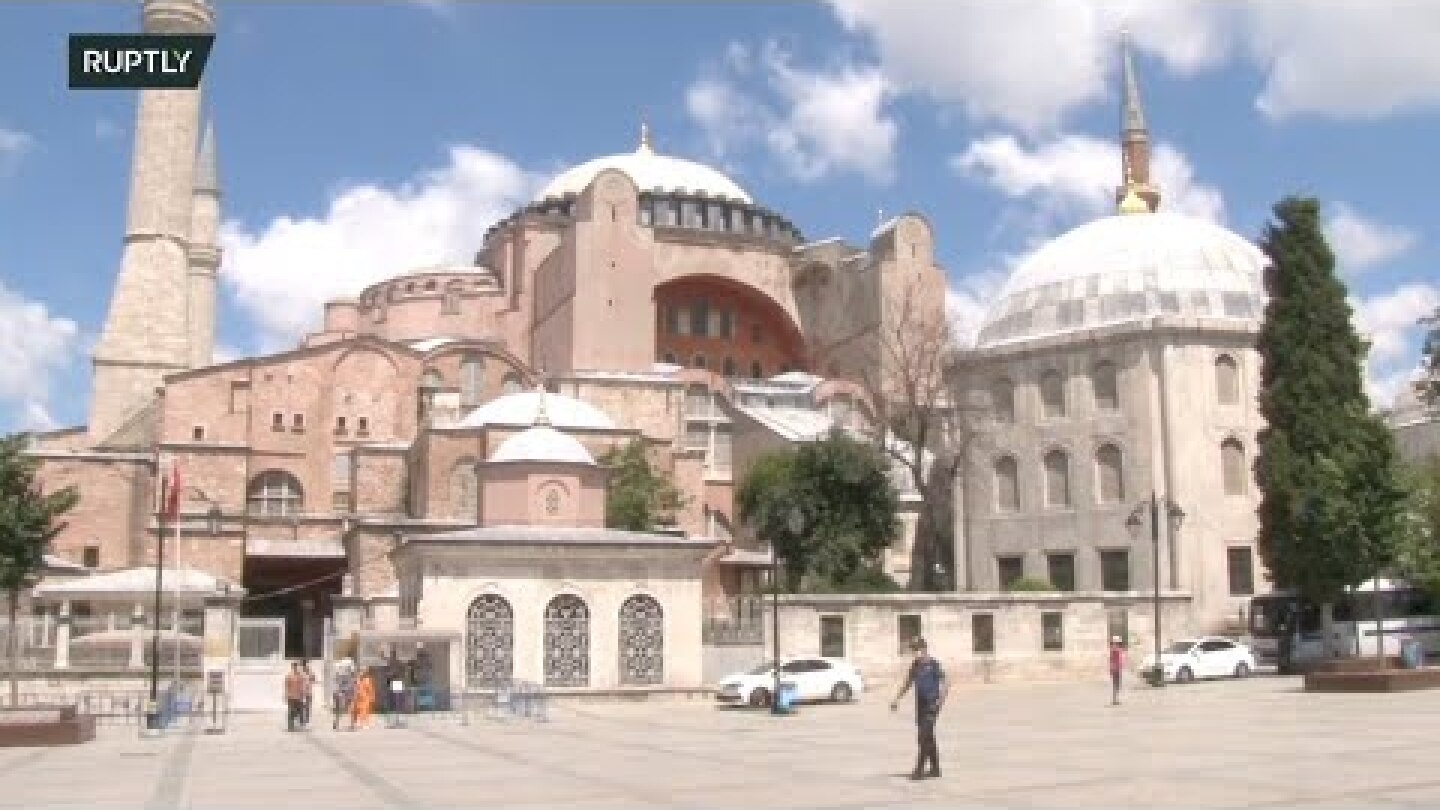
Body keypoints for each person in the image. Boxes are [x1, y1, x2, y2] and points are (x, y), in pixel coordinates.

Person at [890, 637, 947, 780]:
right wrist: (897, 698)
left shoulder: (933, 664)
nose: (915, 653)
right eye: (913, 650)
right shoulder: (915, 665)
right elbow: (908, 683)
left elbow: (945, 683)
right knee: (928, 737)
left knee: (923, 737)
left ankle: (919, 770)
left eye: (917, 650)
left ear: (924, 649)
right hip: (920, 706)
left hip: (932, 705)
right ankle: (935, 769)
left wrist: (940, 701)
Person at [333, 662, 356, 731]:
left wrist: (353, 694)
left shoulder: (351, 678)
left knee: (350, 709)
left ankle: (351, 725)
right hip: (342, 694)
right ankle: (337, 724)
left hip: (348, 694)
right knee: (340, 710)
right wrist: (338, 692)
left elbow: (353, 687)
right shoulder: (341, 676)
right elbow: (338, 685)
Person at [283, 662, 307, 732]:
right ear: (292, 667)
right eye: (294, 666)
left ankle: (299, 724)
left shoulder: (300, 676)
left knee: (299, 711)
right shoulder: (289, 676)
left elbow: (302, 686)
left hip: (299, 696)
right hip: (291, 696)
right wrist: (286, 695)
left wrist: (303, 694)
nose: (296, 668)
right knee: (290, 711)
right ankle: (290, 726)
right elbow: (286, 686)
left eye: (296, 666)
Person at [1108, 636, 1126, 706]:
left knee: (1117, 684)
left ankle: (1116, 699)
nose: (1117, 643)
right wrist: (1112, 668)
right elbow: (1112, 660)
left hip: (1117, 668)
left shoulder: (1117, 649)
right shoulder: (1114, 650)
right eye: (1116, 642)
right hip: (1116, 669)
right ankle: (1115, 700)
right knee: (1116, 684)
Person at [299, 660, 317, 728]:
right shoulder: (299, 672)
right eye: (303, 665)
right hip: (301, 692)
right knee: (301, 707)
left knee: (307, 707)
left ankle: (306, 720)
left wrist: (311, 676)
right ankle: (302, 720)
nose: (304, 666)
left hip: (308, 692)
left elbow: (314, 679)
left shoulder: (310, 671)